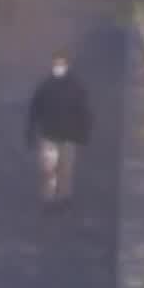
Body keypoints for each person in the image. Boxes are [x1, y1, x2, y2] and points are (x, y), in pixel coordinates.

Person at [25, 53, 91, 209]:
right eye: (56, 64)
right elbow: (35, 110)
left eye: (61, 64)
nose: (58, 68)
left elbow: (83, 111)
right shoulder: (45, 87)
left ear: (67, 66)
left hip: (68, 136)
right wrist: (30, 130)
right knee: (49, 170)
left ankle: (63, 199)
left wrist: (83, 131)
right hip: (49, 135)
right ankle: (49, 200)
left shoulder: (75, 87)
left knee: (66, 169)